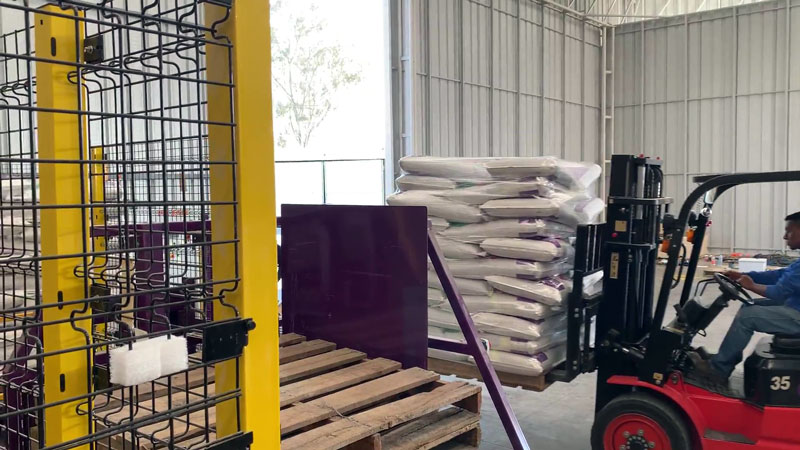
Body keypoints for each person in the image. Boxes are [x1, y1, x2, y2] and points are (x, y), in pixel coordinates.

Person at [701, 211, 800, 380]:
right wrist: (741, 275)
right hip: (794, 306)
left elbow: (778, 293)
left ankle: (718, 370)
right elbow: (778, 276)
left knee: (748, 316)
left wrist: (751, 285)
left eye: (789, 231)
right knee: (749, 305)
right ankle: (723, 360)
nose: (785, 236)